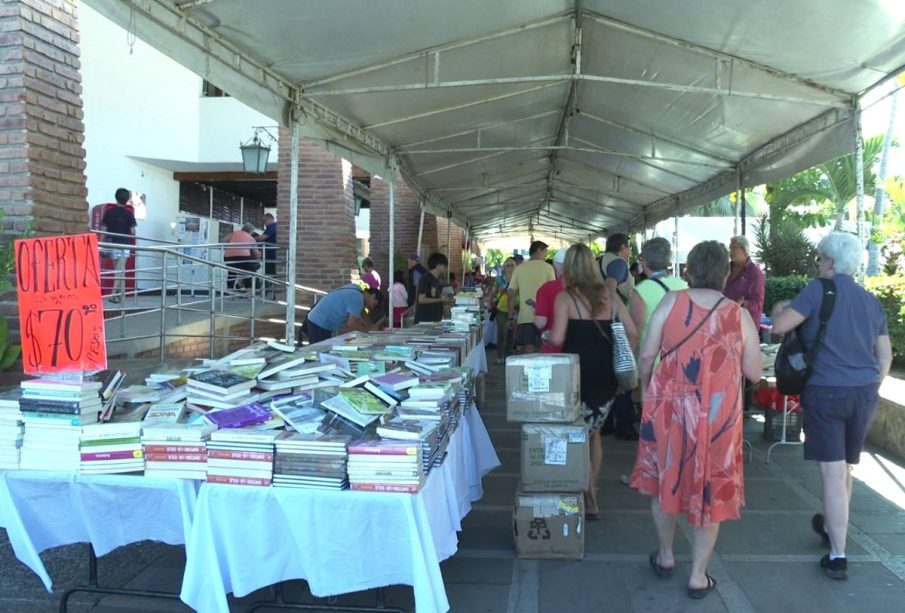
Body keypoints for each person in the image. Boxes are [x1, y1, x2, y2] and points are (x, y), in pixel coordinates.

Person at [629, 241, 762, 600]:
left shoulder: (671, 303)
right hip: (719, 416)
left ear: (688, 270)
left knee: (665, 479)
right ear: (724, 273)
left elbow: (646, 355)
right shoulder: (738, 315)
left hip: (669, 408)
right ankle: (698, 575)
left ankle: (667, 555)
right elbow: (753, 372)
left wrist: (646, 390)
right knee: (711, 486)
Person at [771, 232, 891, 581]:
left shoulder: (817, 290)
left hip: (826, 391)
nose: (818, 263)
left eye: (820, 257)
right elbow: (884, 356)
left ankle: (837, 554)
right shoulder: (871, 301)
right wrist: (870, 386)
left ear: (831, 262)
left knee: (832, 473)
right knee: (846, 469)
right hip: (864, 393)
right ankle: (832, 527)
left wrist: (784, 309)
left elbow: (780, 326)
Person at [547, 244, 638, 520]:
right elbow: (632, 333)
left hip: (576, 375)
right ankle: (591, 490)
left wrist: (545, 337)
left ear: (569, 268)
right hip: (606, 376)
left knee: (578, 433)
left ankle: (586, 494)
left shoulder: (565, 298)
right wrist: (620, 363)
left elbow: (558, 338)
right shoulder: (610, 296)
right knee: (593, 432)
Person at [598, 233, 638, 439]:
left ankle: (606, 422)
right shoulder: (619, 264)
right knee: (623, 371)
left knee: (610, 371)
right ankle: (623, 424)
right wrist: (615, 312)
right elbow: (610, 287)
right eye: (629, 247)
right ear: (622, 247)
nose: (630, 251)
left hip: (603, 323)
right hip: (616, 323)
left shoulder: (602, 261)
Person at [629, 237, 688, 369]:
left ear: (645, 261)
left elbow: (634, 334)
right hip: (679, 363)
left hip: (650, 365)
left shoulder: (641, 291)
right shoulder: (683, 286)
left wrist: (626, 369)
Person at [508, 241, 555, 353]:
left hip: (525, 317)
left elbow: (512, 294)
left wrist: (510, 316)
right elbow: (553, 292)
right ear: (539, 251)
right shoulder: (548, 268)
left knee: (528, 351)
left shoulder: (519, 269)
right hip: (545, 316)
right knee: (545, 349)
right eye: (545, 252)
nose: (546, 255)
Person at [305, 284, 385, 344]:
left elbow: (364, 316)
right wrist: (366, 334)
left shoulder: (356, 291)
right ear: (373, 295)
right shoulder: (357, 297)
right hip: (319, 322)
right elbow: (352, 324)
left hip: (319, 321)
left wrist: (371, 329)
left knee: (323, 350)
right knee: (319, 353)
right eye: (374, 305)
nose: (371, 307)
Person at [100, 187, 137, 304]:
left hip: (111, 243)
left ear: (116, 198)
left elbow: (104, 229)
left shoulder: (109, 212)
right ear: (127, 200)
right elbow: (133, 232)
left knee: (119, 270)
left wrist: (102, 244)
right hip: (124, 245)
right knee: (119, 270)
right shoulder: (129, 213)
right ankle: (113, 294)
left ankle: (120, 295)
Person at [534, 248, 567, 353]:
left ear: (556, 265)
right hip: (582, 350)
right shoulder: (589, 288)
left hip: (554, 349)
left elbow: (540, 323)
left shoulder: (547, 288)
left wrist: (536, 311)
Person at [414, 252, 453, 324]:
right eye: (444, 265)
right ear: (438, 265)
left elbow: (433, 296)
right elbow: (421, 299)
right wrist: (441, 299)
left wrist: (443, 299)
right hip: (425, 320)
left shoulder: (436, 279)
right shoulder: (425, 278)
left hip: (434, 319)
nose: (445, 268)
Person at [224, 223, 260, 291]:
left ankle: (229, 291)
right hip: (243, 257)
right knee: (247, 273)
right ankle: (248, 291)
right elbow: (256, 253)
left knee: (231, 273)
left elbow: (225, 239)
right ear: (251, 231)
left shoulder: (234, 233)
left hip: (228, 256)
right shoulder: (251, 238)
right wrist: (258, 259)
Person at [494, 257, 517, 364]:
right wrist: (490, 301)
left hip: (515, 310)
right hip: (501, 309)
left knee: (512, 333)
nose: (510, 267)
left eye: (512, 265)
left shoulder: (518, 279)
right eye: (507, 265)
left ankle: (509, 354)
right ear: (504, 267)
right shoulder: (499, 279)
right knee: (502, 332)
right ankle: (500, 355)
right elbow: (492, 293)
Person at [254, 213, 278, 299]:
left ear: (270, 219)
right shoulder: (271, 227)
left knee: (271, 275)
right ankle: (270, 294)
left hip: (272, 255)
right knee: (269, 274)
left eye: (264, 221)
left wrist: (251, 239)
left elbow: (263, 237)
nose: (264, 223)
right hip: (270, 255)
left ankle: (271, 294)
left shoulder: (272, 226)